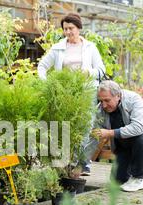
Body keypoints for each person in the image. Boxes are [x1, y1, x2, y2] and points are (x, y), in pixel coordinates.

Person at [37, 13, 106, 174]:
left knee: (85, 126)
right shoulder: (58, 48)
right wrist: (48, 83)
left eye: (71, 28)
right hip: (66, 92)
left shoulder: (90, 47)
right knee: (67, 125)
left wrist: (88, 72)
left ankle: (81, 161)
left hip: (87, 90)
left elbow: (101, 70)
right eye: (65, 29)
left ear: (79, 28)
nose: (68, 32)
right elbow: (42, 66)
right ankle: (68, 161)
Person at [93, 80, 143, 192]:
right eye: (101, 101)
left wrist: (110, 133)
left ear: (118, 95)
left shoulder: (133, 99)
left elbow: (137, 128)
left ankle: (137, 179)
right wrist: (81, 165)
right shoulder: (100, 110)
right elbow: (93, 138)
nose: (103, 105)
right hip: (126, 144)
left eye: (107, 100)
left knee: (141, 138)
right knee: (117, 181)